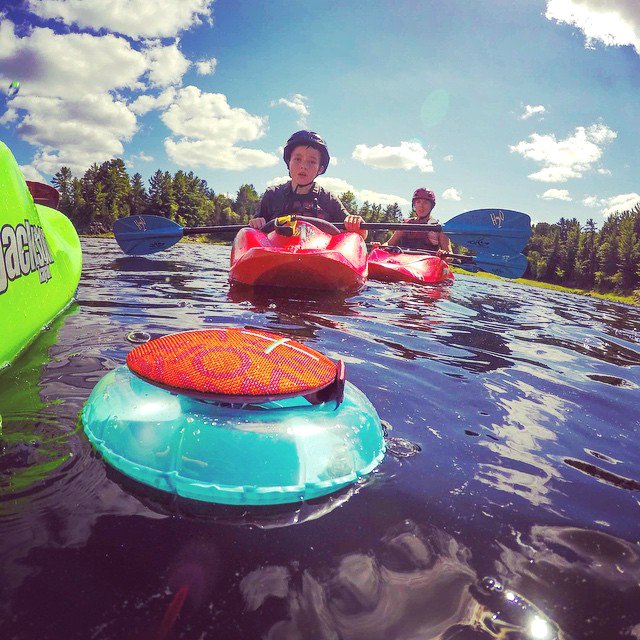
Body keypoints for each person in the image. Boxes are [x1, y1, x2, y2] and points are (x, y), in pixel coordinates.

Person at [250, 130, 366, 238]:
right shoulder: (273, 194)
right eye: (297, 159)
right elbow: (254, 233)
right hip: (277, 256)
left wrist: (356, 224)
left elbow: (361, 234)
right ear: (288, 162)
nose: (303, 166)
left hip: (318, 257)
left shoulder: (328, 199)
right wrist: (256, 223)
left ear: (320, 169)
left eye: (311, 161)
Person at [386, 188, 451, 254]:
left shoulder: (438, 228)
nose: (421, 206)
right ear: (414, 205)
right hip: (404, 262)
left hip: (427, 263)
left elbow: (449, 254)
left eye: (425, 203)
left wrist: (444, 254)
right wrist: (378, 246)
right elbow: (388, 244)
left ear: (431, 206)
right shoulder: (406, 224)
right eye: (418, 202)